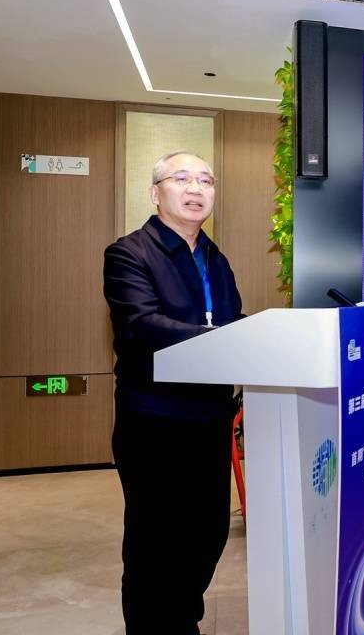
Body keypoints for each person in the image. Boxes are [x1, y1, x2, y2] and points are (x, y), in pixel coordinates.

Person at [103, 150, 244, 633]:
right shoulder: (128, 253)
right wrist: (223, 337)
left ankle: (183, 621)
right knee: (155, 544)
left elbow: (233, 322)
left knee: (208, 533)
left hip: (210, 419)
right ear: (155, 192)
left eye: (206, 180)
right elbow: (142, 325)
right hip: (154, 421)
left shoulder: (216, 259)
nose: (196, 189)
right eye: (182, 178)